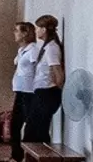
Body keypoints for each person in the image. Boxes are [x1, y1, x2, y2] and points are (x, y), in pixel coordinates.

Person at [0, 21, 38, 162]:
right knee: (14, 125)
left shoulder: (33, 50)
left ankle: (25, 160)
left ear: (25, 33)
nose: (15, 33)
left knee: (25, 126)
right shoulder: (22, 50)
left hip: (29, 93)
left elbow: (38, 68)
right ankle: (15, 157)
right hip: (20, 91)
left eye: (17, 30)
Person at [22, 15, 64, 147]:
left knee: (37, 131)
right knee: (32, 130)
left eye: (38, 28)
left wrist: (57, 87)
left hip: (47, 93)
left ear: (44, 29)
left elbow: (57, 71)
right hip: (41, 92)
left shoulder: (51, 48)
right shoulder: (46, 47)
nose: (36, 31)